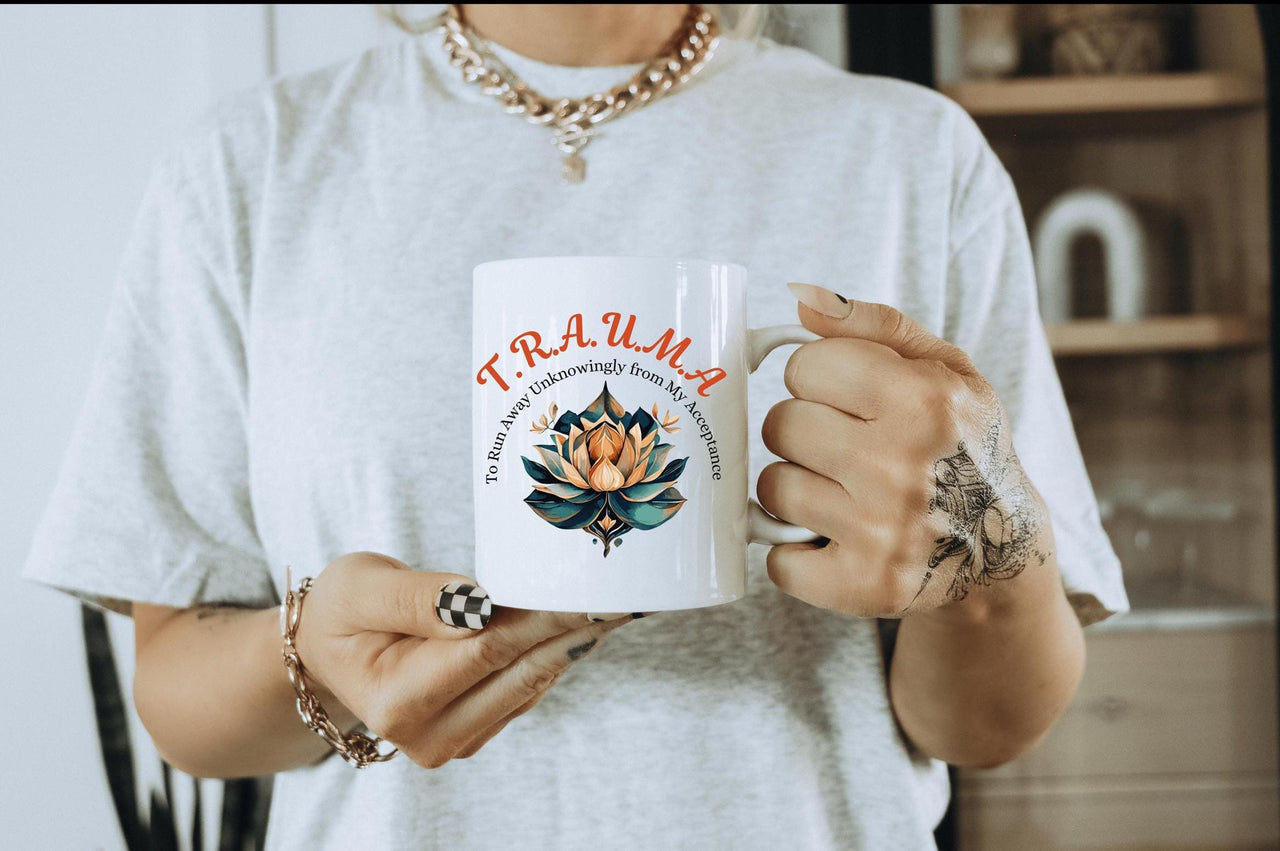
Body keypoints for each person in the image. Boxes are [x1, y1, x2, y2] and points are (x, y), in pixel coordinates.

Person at [23, 4, 1128, 849]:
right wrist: (309, 656)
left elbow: (983, 727)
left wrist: (985, 546)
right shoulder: (250, 167)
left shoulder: (910, 157)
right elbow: (179, 702)